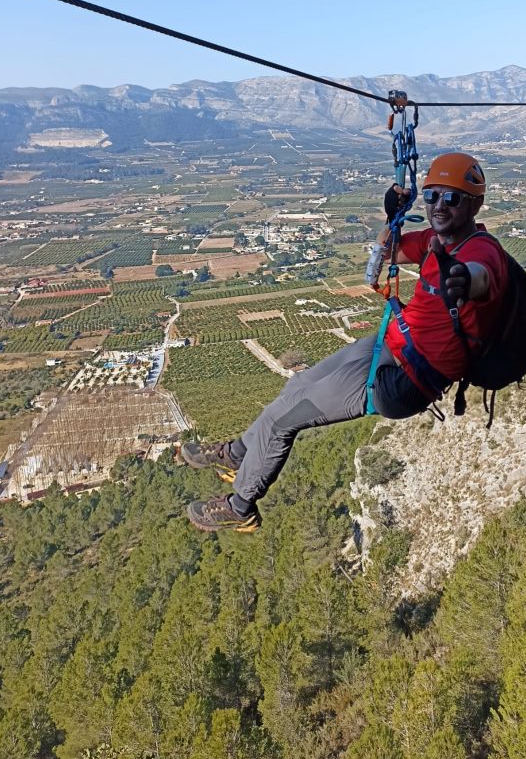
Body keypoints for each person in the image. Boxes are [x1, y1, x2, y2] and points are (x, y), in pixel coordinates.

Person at [182, 152, 509, 533]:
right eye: (432, 195)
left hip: (406, 378)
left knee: (280, 421)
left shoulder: (480, 251)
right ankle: (238, 454)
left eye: (451, 198)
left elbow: (481, 275)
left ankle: (241, 506)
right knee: (297, 384)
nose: (438, 205)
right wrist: (393, 218)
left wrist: (464, 281)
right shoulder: (438, 241)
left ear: (475, 203)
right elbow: (389, 252)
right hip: (396, 345)